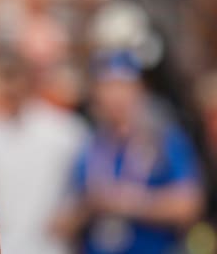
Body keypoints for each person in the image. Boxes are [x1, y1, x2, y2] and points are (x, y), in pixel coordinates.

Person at [54, 51, 203, 254]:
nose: (116, 96)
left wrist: (130, 203)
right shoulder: (88, 146)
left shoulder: (164, 139)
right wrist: (90, 206)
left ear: (140, 90)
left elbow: (189, 205)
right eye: (108, 87)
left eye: (124, 86)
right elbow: (60, 224)